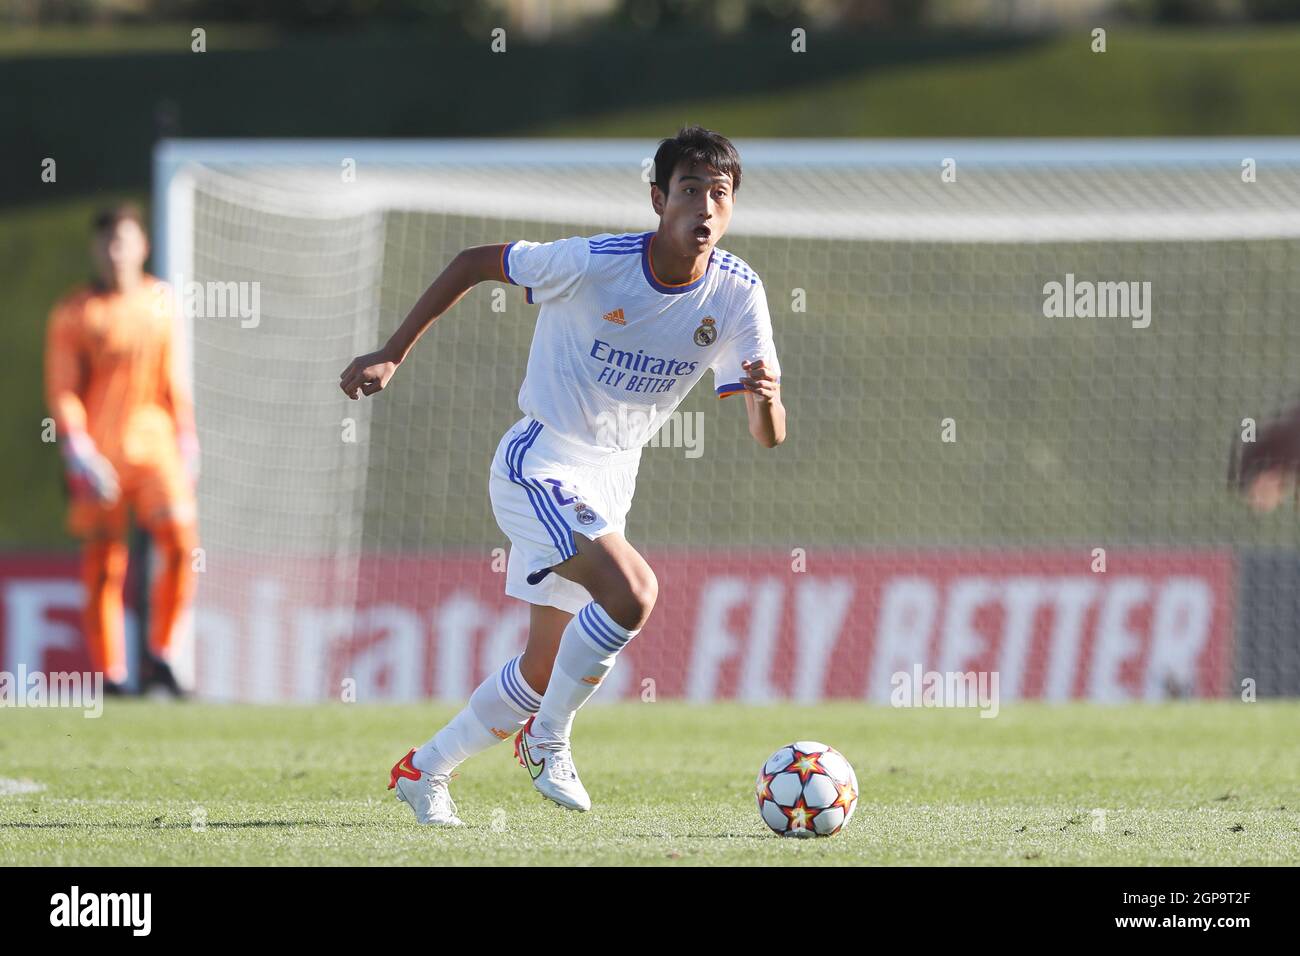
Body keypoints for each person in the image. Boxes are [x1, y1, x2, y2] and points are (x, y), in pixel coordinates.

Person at [341, 127, 785, 825]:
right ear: (658, 199)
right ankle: (547, 740)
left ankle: (423, 771)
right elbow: (469, 263)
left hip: (611, 480)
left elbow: (767, 437)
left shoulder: (736, 294)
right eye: (690, 190)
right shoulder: (591, 262)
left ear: (731, 208)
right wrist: (392, 354)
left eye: (718, 195)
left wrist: (767, 400)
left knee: (543, 670)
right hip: (539, 461)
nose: (704, 207)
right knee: (635, 592)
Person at [45, 204, 200, 697]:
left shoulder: (161, 301)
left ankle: (161, 657)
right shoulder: (76, 311)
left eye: (124, 242)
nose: (116, 253)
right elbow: (63, 387)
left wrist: (187, 436)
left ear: (142, 247)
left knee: (180, 541)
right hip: (100, 452)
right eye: (108, 244)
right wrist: (76, 445)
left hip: (154, 445)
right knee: (104, 563)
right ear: (97, 249)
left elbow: (173, 376)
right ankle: (110, 676)